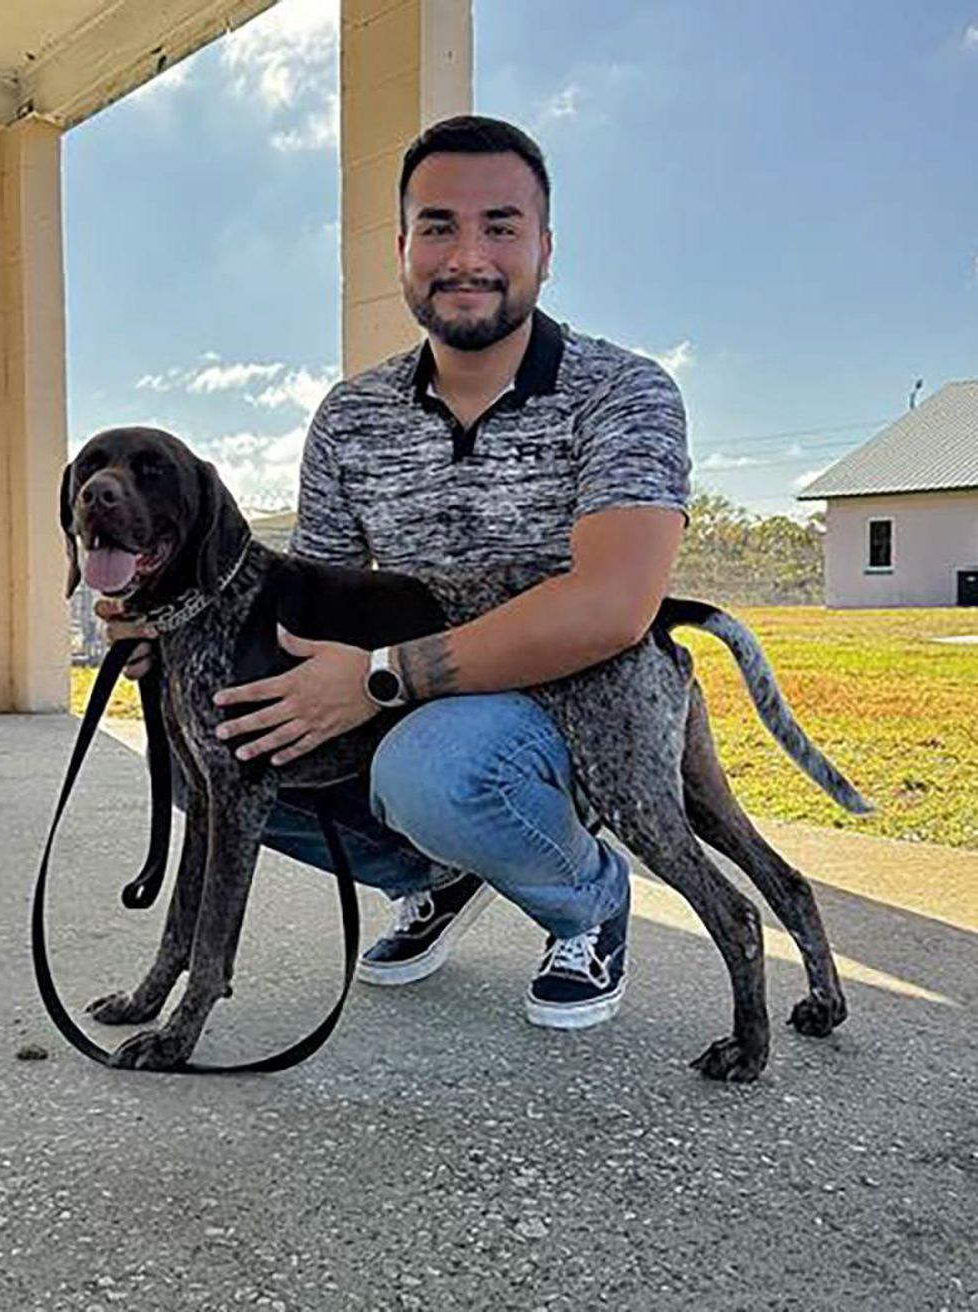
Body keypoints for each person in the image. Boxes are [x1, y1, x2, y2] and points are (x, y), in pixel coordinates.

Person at [100, 115, 689, 1030]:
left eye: (500, 225)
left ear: (545, 246)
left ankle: (589, 895)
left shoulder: (624, 391)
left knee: (434, 769)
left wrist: (383, 677)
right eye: (439, 226)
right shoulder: (351, 416)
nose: (468, 255)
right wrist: (172, 638)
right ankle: (444, 874)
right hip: (416, 697)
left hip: (572, 699)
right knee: (216, 751)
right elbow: (310, 609)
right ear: (404, 247)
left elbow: (612, 607)